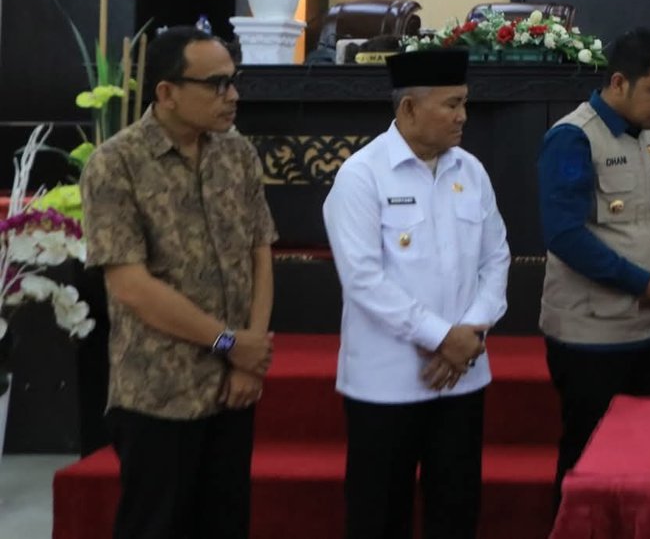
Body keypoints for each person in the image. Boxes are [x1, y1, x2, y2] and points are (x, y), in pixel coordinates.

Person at [80, 26, 276, 539]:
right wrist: (229, 342)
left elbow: (260, 251)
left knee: (226, 522)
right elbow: (131, 286)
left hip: (232, 387)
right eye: (216, 84)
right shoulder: (115, 164)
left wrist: (249, 355)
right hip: (159, 391)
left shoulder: (237, 154)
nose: (232, 96)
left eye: (233, 81)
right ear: (166, 92)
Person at [322, 47, 510, 539]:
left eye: (465, 102)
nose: (463, 115)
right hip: (387, 382)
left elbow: (496, 259)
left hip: (462, 375)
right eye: (451, 104)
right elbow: (363, 279)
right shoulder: (361, 175)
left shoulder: (471, 171)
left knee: (456, 510)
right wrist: (441, 336)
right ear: (408, 108)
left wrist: (470, 333)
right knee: (380, 516)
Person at [538, 28, 650, 495]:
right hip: (589, 332)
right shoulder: (573, 138)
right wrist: (644, 283)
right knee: (588, 460)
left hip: (641, 326)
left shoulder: (648, 133)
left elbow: (648, 209)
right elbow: (565, 235)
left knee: (637, 456)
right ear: (620, 82)